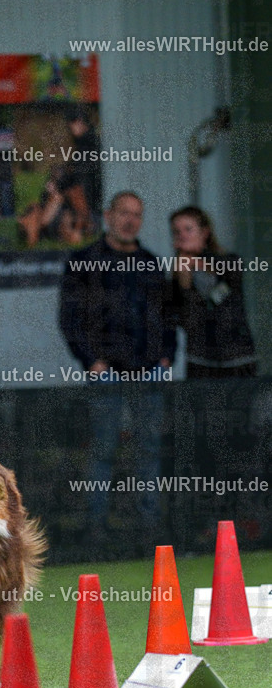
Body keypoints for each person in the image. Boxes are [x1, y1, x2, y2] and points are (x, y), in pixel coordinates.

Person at [59, 192, 176, 554]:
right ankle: (96, 529)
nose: (130, 220)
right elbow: (70, 319)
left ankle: (149, 530)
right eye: (123, 213)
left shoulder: (152, 265)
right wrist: (90, 360)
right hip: (104, 374)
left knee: (149, 452)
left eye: (137, 215)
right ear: (108, 215)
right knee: (103, 451)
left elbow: (168, 318)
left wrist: (167, 357)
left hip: (149, 373)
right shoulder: (83, 262)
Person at [170, 205, 257, 377]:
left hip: (237, 358)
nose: (182, 235)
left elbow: (225, 295)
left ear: (204, 232)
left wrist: (197, 262)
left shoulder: (229, 262)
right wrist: (185, 284)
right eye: (176, 231)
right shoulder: (176, 278)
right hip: (201, 361)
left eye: (188, 229)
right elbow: (187, 320)